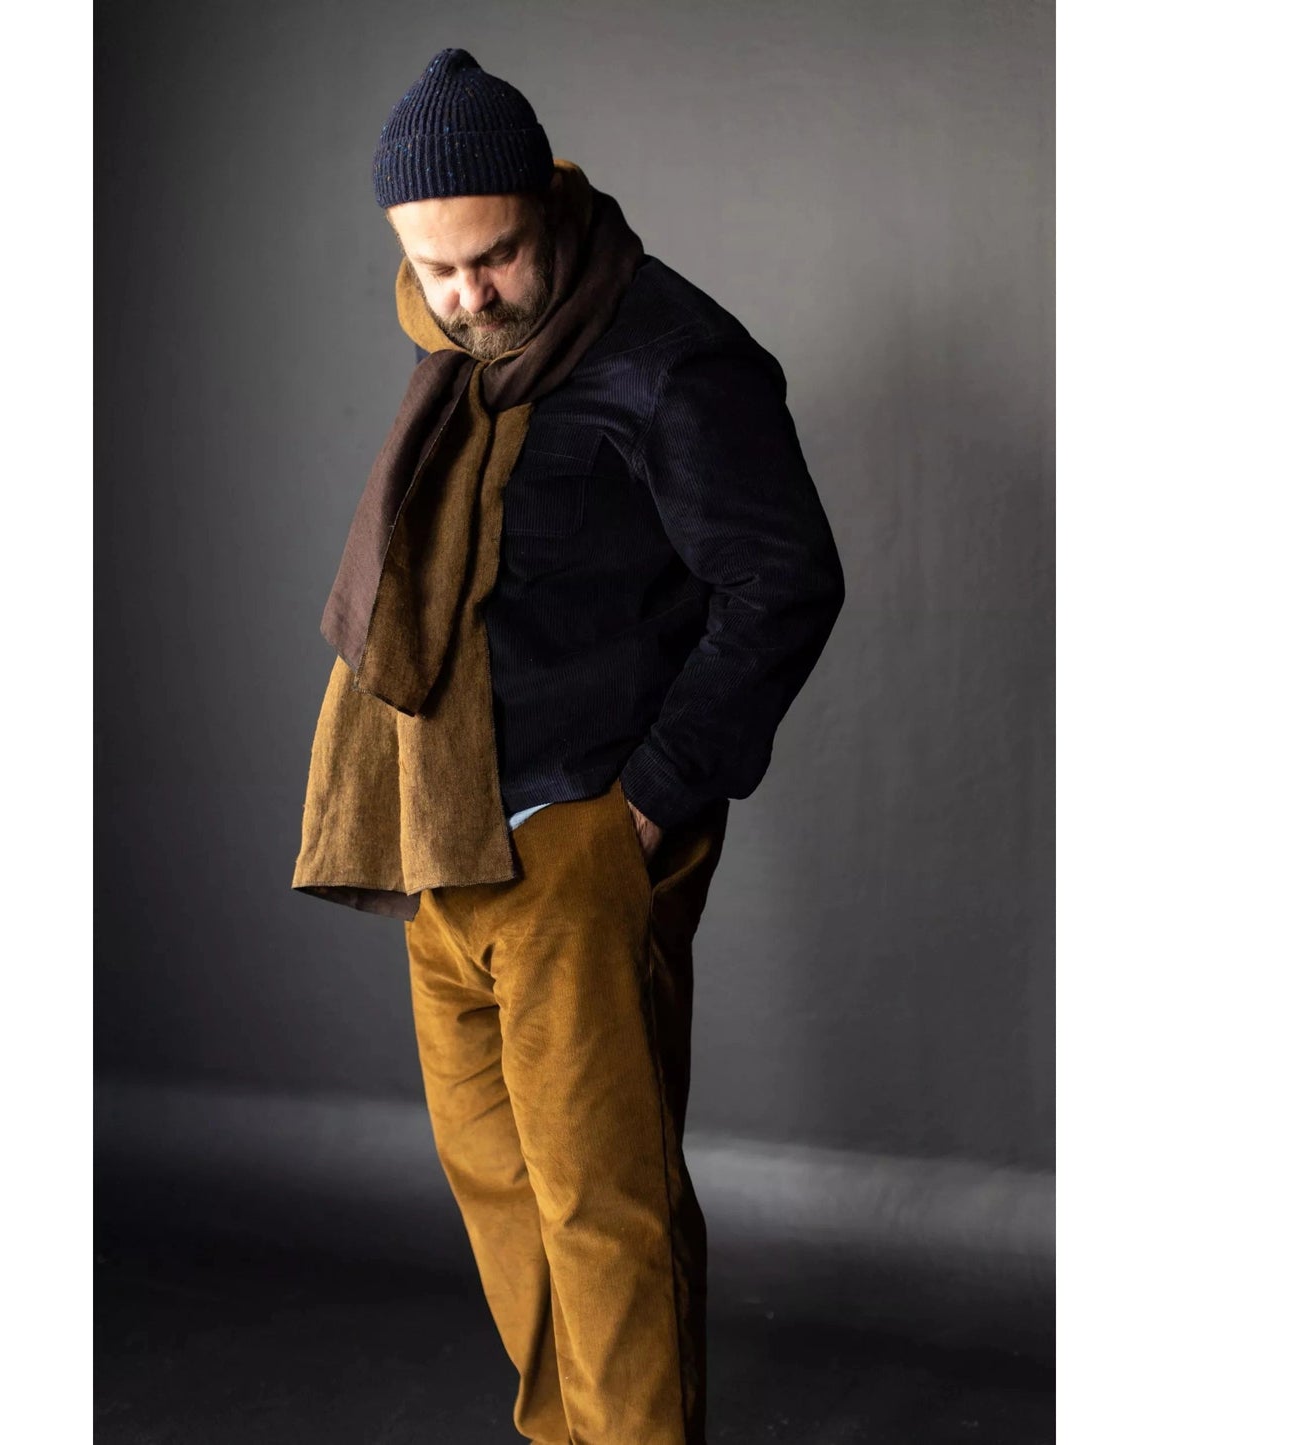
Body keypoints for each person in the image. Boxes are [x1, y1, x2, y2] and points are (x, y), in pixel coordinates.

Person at [292, 47, 845, 1445]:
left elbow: (784, 583)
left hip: (580, 843)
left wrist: (648, 804)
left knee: (605, 1207)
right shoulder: (464, 355)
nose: (466, 296)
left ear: (550, 201)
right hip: (445, 832)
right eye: (434, 268)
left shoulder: (673, 360)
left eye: (493, 257)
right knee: (504, 1193)